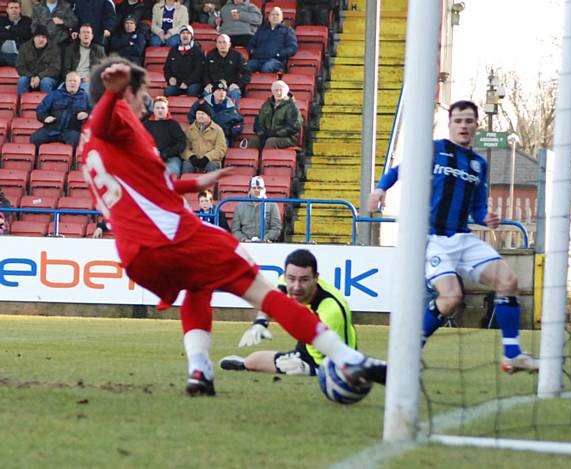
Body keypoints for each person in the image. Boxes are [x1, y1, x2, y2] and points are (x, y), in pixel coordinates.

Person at [80, 57, 386, 395]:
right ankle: (347, 358)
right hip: (170, 238)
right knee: (260, 287)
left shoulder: (90, 142)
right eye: (141, 92)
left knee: (198, 286)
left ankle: (199, 370)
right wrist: (112, 93)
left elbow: (142, 187)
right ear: (124, 93)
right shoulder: (116, 117)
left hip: (137, 258)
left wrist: (194, 184)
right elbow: (108, 117)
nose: (146, 100)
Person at [368, 100, 538, 374]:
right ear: (450, 124)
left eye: (469, 121)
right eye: (458, 120)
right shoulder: (435, 150)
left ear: (476, 126)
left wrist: (486, 217)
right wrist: (379, 190)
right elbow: (399, 170)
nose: (463, 126)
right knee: (451, 298)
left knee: (508, 281)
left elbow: (477, 207)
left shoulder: (478, 164)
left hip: (463, 237)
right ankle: (409, 352)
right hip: (432, 238)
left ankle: (513, 354)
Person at [219, 249, 357, 376]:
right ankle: (244, 364)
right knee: (253, 361)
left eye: (304, 280)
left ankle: (305, 366)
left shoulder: (332, 311)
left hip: (330, 355)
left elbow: (343, 361)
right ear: (285, 276)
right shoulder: (287, 282)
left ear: (316, 277)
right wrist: (261, 322)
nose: (296, 286)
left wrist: (309, 370)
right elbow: (271, 297)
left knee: (301, 367)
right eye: (291, 279)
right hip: (307, 346)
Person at [30, 71, 91, 147]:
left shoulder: (85, 97)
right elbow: (41, 110)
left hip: (72, 130)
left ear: (79, 83)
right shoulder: (54, 94)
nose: (72, 83)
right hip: (50, 129)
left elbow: (93, 112)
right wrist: (45, 118)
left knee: (76, 140)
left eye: (75, 81)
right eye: (70, 81)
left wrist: (86, 114)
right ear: (65, 82)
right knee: (35, 138)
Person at [249, 80, 302, 151]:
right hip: (268, 135)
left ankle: (267, 162)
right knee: (254, 140)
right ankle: (250, 162)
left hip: (288, 138)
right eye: (276, 90)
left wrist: (274, 133)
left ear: (286, 91)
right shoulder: (266, 104)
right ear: (272, 92)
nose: (278, 93)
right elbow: (258, 121)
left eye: (281, 90)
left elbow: (294, 126)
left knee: (271, 142)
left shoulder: (292, 106)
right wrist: (261, 133)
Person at [187, 80, 243, 146]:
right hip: (203, 135)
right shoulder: (202, 104)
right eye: (218, 90)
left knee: (222, 143)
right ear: (213, 92)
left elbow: (239, 124)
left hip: (222, 137)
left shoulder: (232, 108)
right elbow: (191, 117)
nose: (221, 93)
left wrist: (228, 132)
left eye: (224, 91)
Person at [143, 95, 186, 177]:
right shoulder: (146, 125)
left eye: (162, 108)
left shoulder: (173, 124)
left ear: (167, 110)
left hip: (171, 158)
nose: (160, 110)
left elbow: (181, 143)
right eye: (157, 108)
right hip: (152, 157)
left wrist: (166, 153)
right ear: (153, 109)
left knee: (170, 174)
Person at [203, 33, 250, 105]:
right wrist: (207, 83)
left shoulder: (237, 56)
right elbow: (204, 72)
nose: (222, 45)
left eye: (224, 42)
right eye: (219, 42)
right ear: (216, 44)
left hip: (230, 86)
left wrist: (238, 85)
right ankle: (210, 115)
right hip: (214, 86)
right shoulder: (210, 55)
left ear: (229, 44)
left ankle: (233, 115)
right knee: (207, 92)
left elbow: (247, 73)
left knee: (235, 92)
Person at [181, 101, 227, 174]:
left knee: (212, 166)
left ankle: (212, 185)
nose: (200, 116)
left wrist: (207, 157)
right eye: (198, 114)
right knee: (187, 165)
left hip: (212, 160)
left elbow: (221, 149)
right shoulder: (190, 130)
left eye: (203, 114)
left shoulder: (218, 130)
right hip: (194, 159)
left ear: (209, 116)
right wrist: (191, 157)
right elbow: (184, 148)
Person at [232, 175, 282, 243]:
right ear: (249, 190)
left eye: (259, 188)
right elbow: (235, 230)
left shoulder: (272, 205)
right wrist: (244, 239)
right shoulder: (239, 206)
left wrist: (264, 239)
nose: (257, 190)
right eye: (254, 188)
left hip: (266, 244)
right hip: (245, 244)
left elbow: (276, 229)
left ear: (264, 189)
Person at [247, 6, 296, 73]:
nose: (275, 16)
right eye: (273, 14)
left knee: (267, 67)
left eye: (277, 15)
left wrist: (279, 54)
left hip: (276, 61)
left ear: (282, 18)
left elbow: (292, 48)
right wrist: (252, 51)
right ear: (269, 17)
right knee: (245, 67)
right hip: (258, 59)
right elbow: (251, 43)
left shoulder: (287, 30)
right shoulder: (261, 30)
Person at [16, 25, 61, 96]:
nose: (41, 39)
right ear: (34, 38)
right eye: (38, 36)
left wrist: (39, 77)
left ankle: (46, 105)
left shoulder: (54, 49)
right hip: (30, 78)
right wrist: (31, 76)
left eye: (44, 37)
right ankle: (22, 105)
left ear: (47, 39)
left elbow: (55, 69)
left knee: (45, 82)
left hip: (48, 78)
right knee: (22, 81)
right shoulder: (24, 47)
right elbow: (20, 67)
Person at [62, 23, 107, 92]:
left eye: (88, 32)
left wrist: (92, 77)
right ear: (79, 36)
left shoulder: (99, 50)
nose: (86, 34)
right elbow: (65, 69)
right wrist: (73, 78)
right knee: (59, 92)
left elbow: (103, 70)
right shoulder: (70, 49)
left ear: (92, 36)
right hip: (72, 80)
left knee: (85, 92)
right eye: (83, 32)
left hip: (89, 81)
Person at [163, 24, 204, 97]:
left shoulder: (198, 50)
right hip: (177, 83)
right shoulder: (173, 50)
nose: (185, 35)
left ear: (192, 36)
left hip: (192, 83)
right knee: (168, 91)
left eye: (188, 33)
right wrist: (170, 78)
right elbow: (167, 67)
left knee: (192, 90)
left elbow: (199, 70)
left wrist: (187, 83)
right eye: (183, 33)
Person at [0, 1, 33, 67]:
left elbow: (25, 34)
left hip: (19, 54)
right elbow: (1, 34)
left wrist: (10, 28)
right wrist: (16, 32)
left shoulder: (27, 21)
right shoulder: (1, 20)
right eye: (11, 8)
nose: (14, 10)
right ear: (7, 10)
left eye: (16, 8)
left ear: (20, 9)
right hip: (2, 53)